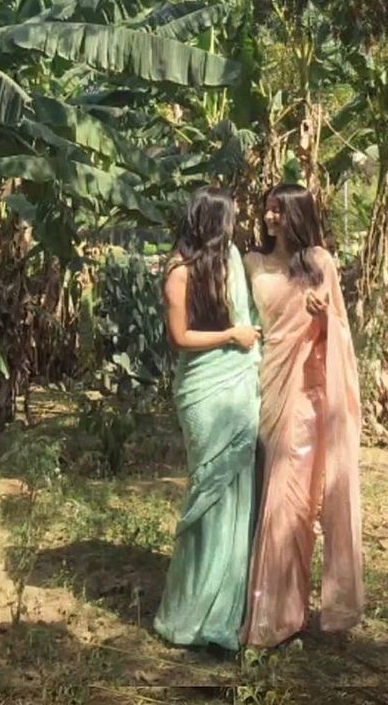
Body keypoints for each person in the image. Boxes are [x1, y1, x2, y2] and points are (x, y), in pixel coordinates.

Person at [242, 183, 363, 649]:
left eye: (278, 210)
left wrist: (326, 315)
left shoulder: (320, 264)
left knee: (292, 506)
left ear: (297, 214)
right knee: (272, 503)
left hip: (308, 397)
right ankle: (274, 611)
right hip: (263, 389)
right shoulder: (251, 262)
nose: (270, 217)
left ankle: (278, 617)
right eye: (267, 209)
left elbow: (341, 336)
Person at [154, 186, 261, 651]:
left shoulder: (233, 259)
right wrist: (230, 337)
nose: (236, 224)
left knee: (238, 493)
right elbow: (179, 337)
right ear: (213, 222)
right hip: (203, 388)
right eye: (231, 218)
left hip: (238, 383)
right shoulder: (179, 271)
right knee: (209, 491)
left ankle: (228, 607)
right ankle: (191, 611)